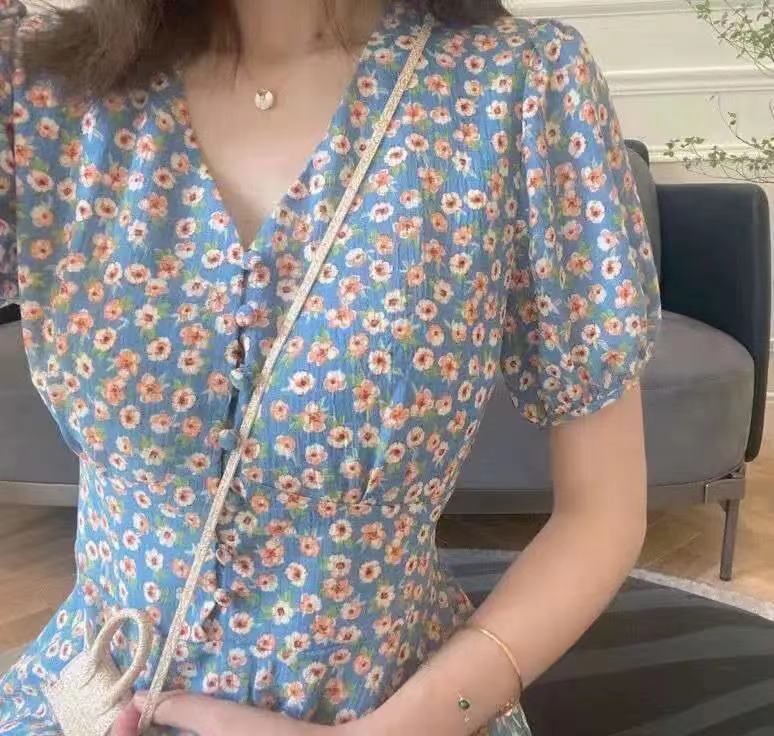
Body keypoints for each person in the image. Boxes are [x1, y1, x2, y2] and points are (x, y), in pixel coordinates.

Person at [0, 0, 662, 734]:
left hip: (394, 709)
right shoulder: (38, 89)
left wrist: (400, 728)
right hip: (92, 700)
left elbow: (600, 513)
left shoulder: (518, 86)